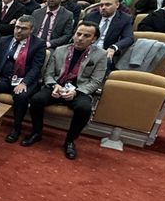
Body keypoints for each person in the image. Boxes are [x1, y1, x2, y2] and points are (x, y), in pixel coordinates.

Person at [23, 22, 108, 160]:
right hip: (57, 85)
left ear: (94, 39)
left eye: (86, 36)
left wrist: (76, 92)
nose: (80, 38)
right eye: (78, 34)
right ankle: (36, 132)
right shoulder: (60, 50)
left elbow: (96, 81)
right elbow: (48, 74)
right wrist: (54, 85)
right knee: (36, 100)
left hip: (79, 89)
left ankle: (70, 141)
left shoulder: (101, 55)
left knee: (84, 109)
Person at [0, 15, 46, 143]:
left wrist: (24, 82)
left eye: (23, 28)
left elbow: (36, 68)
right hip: (5, 78)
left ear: (31, 30)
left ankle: (16, 127)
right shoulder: (4, 40)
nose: (19, 31)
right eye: (17, 27)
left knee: (21, 96)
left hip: (24, 80)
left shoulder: (38, 44)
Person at [83, 0, 135, 64]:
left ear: (117, 5)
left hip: (106, 52)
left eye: (107, 5)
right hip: (86, 50)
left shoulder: (125, 18)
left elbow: (128, 38)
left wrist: (113, 47)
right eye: (101, 5)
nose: (103, 8)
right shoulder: (90, 16)